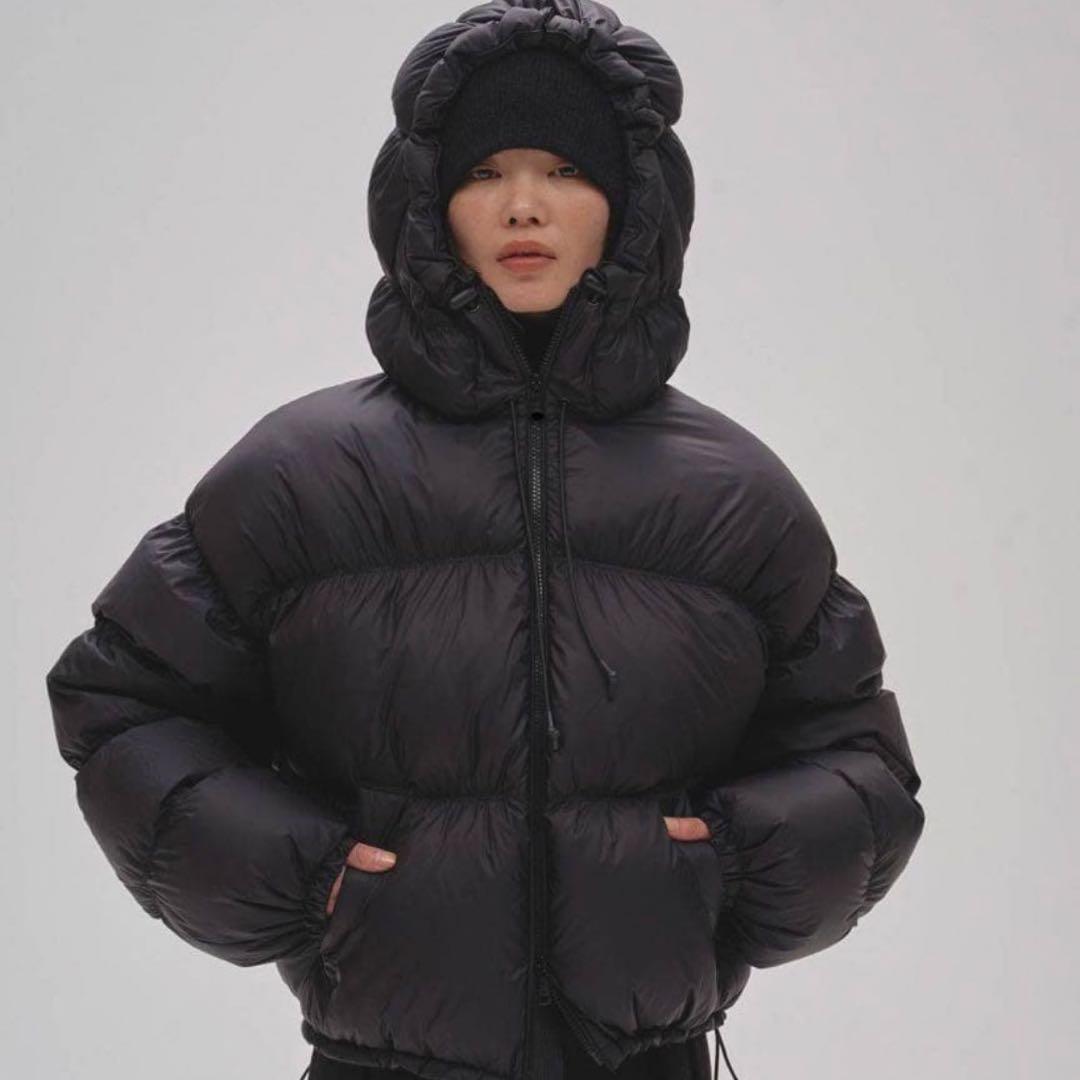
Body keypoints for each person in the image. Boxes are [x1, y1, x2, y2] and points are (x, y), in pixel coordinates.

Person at [44, 5, 926, 1080]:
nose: (523, 204)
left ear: (633, 204)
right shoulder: (303, 475)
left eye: (565, 169)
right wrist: (310, 880)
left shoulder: (732, 495)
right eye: (484, 172)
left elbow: (858, 756)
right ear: (429, 205)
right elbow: (124, 702)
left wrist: (732, 865)